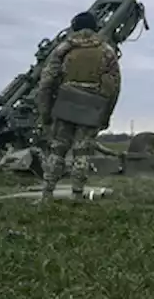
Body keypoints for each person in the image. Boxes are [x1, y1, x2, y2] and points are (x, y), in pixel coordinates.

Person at [34, 11, 122, 201]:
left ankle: (47, 193)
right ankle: (77, 194)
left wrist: (46, 112)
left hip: (65, 104)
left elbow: (46, 83)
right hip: (92, 106)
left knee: (57, 150)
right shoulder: (107, 51)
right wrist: (106, 115)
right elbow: (114, 87)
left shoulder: (63, 50)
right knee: (82, 152)